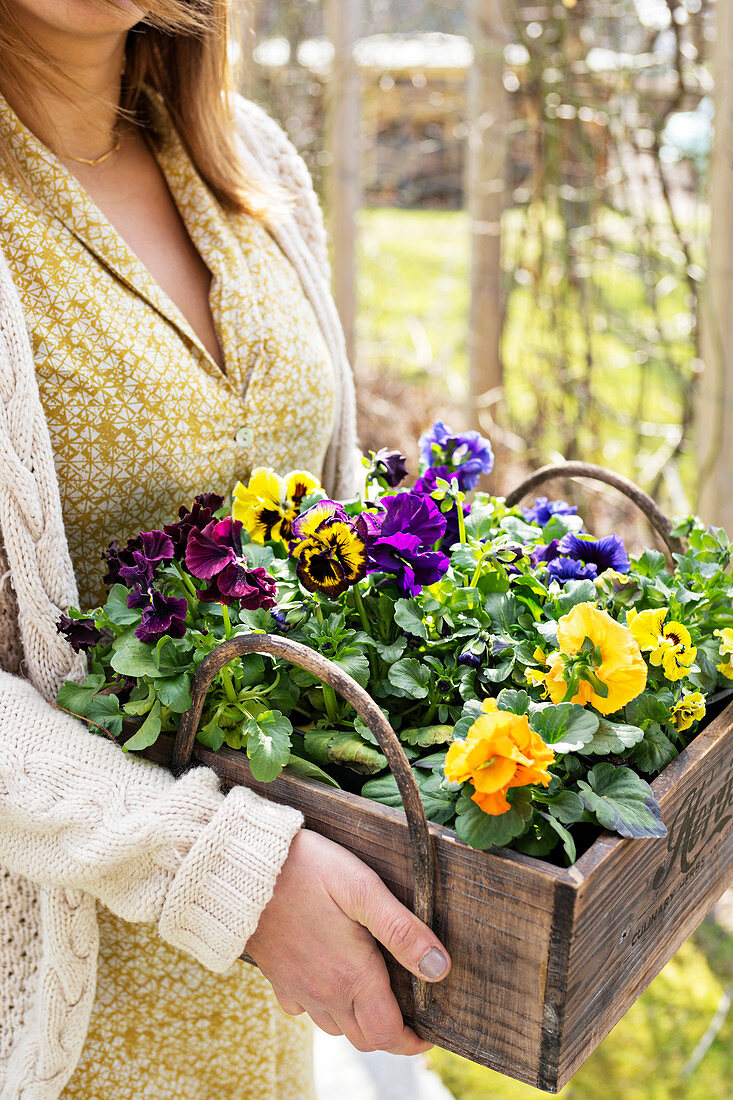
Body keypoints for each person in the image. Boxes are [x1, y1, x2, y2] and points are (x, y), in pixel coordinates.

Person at [0, 1, 451, 1097]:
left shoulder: (253, 162)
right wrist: (222, 870)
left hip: (268, 1009)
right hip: (48, 1025)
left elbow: (321, 534)